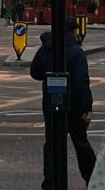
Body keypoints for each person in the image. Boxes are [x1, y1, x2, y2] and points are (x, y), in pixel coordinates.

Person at [30, 17, 96, 189]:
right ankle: (94, 179)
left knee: (52, 145)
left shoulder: (47, 48)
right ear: (72, 32)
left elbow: (35, 72)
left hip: (51, 104)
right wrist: (87, 107)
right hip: (74, 107)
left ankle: (50, 182)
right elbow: (82, 82)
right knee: (81, 144)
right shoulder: (76, 51)